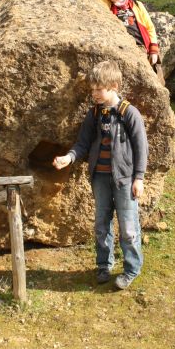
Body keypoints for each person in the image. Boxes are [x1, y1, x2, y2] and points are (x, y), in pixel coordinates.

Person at [52, 60, 147, 290]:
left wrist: (139, 178)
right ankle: (104, 265)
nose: (94, 93)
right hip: (100, 179)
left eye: (99, 89)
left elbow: (141, 147)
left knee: (128, 226)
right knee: (101, 224)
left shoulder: (129, 113)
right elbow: (82, 143)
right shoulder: (93, 114)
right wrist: (69, 158)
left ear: (113, 86)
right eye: (92, 89)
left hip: (124, 181)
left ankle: (131, 268)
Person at [92, 0, 163, 82]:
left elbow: (150, 27)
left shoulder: (137, 4)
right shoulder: (110, 9)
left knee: (158, 81)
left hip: (147, 48)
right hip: (130, 52)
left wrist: (154, 51)